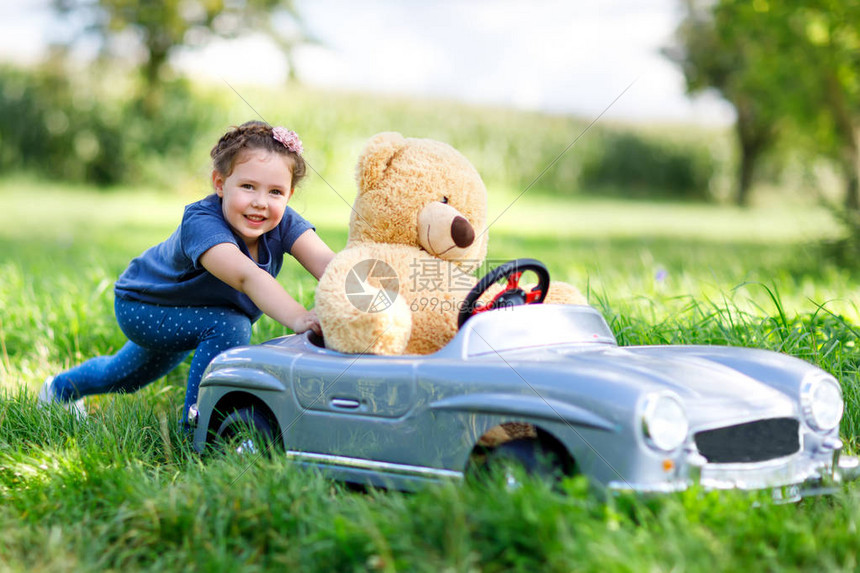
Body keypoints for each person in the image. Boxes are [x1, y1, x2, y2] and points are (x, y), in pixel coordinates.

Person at [38, 120, 335, 425]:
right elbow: (248, 277)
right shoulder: (201, 222)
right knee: (230, 327)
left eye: (275, 192)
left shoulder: (283, 221)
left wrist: (371, 291)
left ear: (289, 194)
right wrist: (299, 317)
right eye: (248, 186)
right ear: (220, 183)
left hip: (196, 312)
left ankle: (57, 390)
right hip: (143, 304)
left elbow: (327, 263)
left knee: (124, 376)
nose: (261, 202)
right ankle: (196, 431)